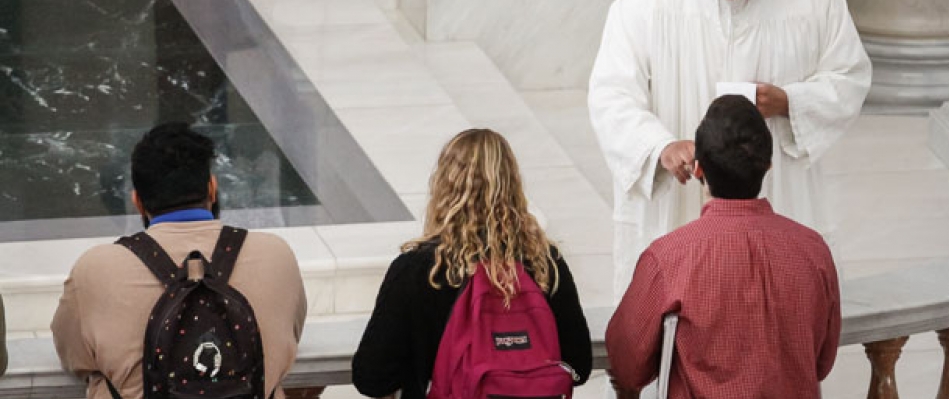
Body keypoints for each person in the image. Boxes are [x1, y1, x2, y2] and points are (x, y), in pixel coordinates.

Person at [588, 0, 871, 296]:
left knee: (772, 303)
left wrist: (790, 102)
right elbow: (611, 93)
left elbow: (849, 76)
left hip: (775, 193)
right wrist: (660, 146)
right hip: (682, 197)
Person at [605, 95, 841, 398]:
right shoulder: (813, 250)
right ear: (768, 166)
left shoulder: (669, 257)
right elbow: (821, 362)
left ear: (699, 170)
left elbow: (628, 363)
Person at [52, 122, 308, 399]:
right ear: (212, 188)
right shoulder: (275, 255)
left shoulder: (96, 269)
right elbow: (290, 335)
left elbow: (73, 355)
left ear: (137, 201)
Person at [352, 129, 593, 399]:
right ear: (513, 185)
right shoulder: (545, 263)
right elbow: (579, 365)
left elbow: (372, 377)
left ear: (443, 186)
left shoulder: (420, 269)